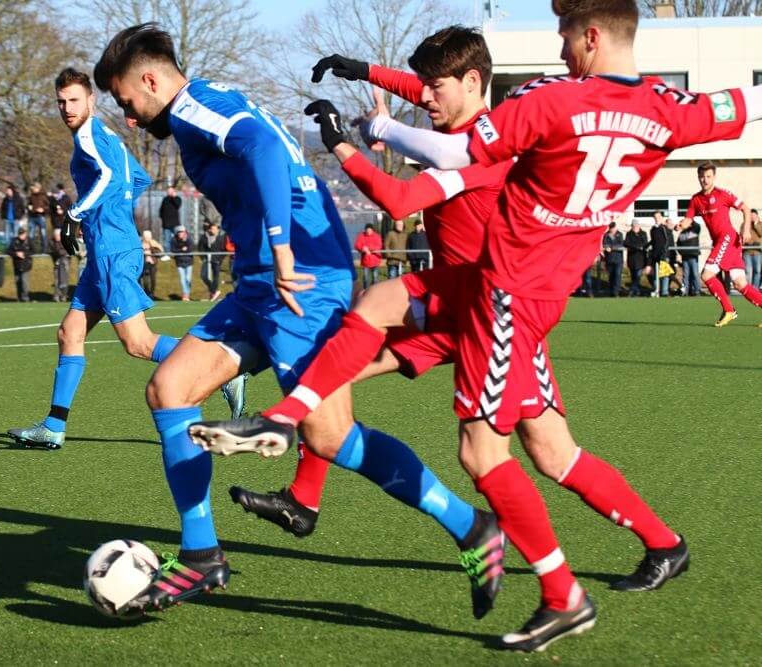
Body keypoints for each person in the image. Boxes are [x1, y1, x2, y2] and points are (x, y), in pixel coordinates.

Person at [194, 1, 755, 649]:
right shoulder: (668, 108)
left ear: (592, 35)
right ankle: (662, 541)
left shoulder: (545, 108)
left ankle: (554, 587)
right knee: (545, 446)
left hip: (497, 303)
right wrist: (373, 82)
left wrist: (359, 136)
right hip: (505, 293)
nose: (560, 45)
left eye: (566, 34)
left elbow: (433, 165)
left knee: (476, 448)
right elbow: (741, 102)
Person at [203, 26, 514, 620]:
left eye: (434, 87)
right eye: (422, 85)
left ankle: (502, 542)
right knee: (329, 378)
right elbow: (425, 92)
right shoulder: (458, 120)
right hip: (444, 298)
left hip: (464, 309)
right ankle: (303, 500)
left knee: (546, 456)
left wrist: (341, 145)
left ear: (473, 83)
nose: (423, 95)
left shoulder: (476, 144)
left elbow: (398, 201)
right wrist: (364, 69)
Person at [94, 23, 360, 613]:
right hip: (260, 284)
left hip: (298, 277)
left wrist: (281, 245)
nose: (131, 118)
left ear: (149, 78)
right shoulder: (205, 103)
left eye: (128, 103)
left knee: (330, 432)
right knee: (169, 388)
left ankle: (470, 526)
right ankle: (201, 556)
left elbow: (265, 149)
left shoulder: (193, 110)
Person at [6, 67, 246, 451]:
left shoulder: (89, 135)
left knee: (137, 343)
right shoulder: (106, 134)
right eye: (61, 102)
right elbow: (136, 179)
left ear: (91, 100)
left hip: (112, 253)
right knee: (70, 333)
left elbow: (105, 177)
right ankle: (54, 426)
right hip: (109, 249)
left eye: (74, 100)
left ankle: (221, 368)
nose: (67, 108)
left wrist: (77, 213)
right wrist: (112, 214)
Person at [676, 162, 762, 325]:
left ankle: (729, 310)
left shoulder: (723, 194)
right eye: (702, 176)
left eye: (708, 176)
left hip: (728, 238)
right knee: (740, 283)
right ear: (698, 177)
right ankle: (730, 310)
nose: (705, 180)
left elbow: (745, 208)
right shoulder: (696, 199)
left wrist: (746, 230)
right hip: (722, 242)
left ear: (714, 177)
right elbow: (688, 219)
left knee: (706, 275)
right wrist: (680, 225)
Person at [676, 213, 702, 296]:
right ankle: (686, 291)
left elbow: (697, 225)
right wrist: (681, 253)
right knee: (686, 275)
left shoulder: (695, 229)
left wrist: (689, 219)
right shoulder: (681, 234)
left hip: (693, 255)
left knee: (695, 273)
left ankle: (697, 290)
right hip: (685, 256)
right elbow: (678, 244)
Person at [198, 221, 224, 301]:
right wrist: (203, 258)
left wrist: (220, 259)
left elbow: (223, 249)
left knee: (216, 277)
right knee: (203, 275)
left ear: (218, 230)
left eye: (215, 229)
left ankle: (213, 293)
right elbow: (200, 248)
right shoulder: (204, 237)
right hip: (207, 259)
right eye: (212, 229)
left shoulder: (221, 237)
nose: (213, 230)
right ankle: (214, 291)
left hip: (217, 260)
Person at [648, 211, 672, 297]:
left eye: (658, 217)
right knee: (655, 274)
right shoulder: (653, 229)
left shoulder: (664, 228)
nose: (657, 219)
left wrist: (665, 253)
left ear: (661, 217)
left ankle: (664, 292)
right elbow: (653, 241)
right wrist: (646, 245)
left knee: (665, 274)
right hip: (655, 254)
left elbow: (667, 241)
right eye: (655, 217)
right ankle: (656, 289)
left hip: (664, 254)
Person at [354, 223, 383, 288]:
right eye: (367, 230)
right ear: (365, 230)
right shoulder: (361, 235)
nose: (368, 231)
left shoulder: (377, 236)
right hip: (366, 261)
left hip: (375, 260)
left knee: (375, 278)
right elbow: (357, 245)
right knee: (366, 279)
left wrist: (368, 248)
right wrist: (362, 248)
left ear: (372, 230)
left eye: (370, 230)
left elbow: (379, 246)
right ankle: (365, 292)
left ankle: (374, 292)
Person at [8, 227, 33, 302]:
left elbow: (34, 251)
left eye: (23, 234)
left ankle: (25, 297)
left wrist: (24, 254)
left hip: (26, 264)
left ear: (25, 234)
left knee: (24, 282)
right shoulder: (14, 240)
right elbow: (8, 251)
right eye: (20, 234)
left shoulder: (29, 240)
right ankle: (19, 297)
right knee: (18, 281)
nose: (21, 235)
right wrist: (16, 254)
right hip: (17, 265)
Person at [624, 221, 648, 296]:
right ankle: (636, 291)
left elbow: (645, 243)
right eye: (633, 226)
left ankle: (633, 290)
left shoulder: (643, 233)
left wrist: (639, 247)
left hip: (641, 258)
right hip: (632, 258)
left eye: (636, 225)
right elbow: (626, 243)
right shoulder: (629, 234)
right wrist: (636, 247)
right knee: (633, 275)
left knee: (638, 275)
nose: (634, 227)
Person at [170, 225, 193, 300]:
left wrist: (185, 249)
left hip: (189, 262)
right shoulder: (174, 240)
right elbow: (173, 250)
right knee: (182, 279)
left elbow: (190, 249)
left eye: (182, 232)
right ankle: (185, 294)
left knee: (188, 279)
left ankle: (187, 293)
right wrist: (181, 249)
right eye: (179, 232)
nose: (181, 233)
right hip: (179, 262)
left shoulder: (189, 239)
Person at [600, 221, 623, 296]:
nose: (612, 229)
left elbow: (620, 244)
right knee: (611, 275)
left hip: (618, 259)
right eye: (611, 228)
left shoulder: (619, 234)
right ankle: (611, 291)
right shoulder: (606, 235)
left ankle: (616, 292)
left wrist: (611, 248)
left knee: (617, 275)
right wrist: (607, 247)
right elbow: (605, 244)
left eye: (613, 228)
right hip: (609, 259)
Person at [49, 227, 71, 302]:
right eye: (56, 235)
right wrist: (61, 253)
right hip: (57, 263)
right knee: (57, 280)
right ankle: (56, 296)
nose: (57, 237)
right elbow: (53, 251)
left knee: (65, 280)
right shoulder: (51, 242)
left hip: (65, 263)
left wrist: (63, 253)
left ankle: (64, 296)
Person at [140, 229, 164, 298]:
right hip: (144, 264)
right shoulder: (141, 243)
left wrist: (151, 247)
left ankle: (152, 293)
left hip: (153, 263)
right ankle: (146, 293)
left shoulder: (153, 242)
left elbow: (160, 250)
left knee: (153, 279)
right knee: (145, 280)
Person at [159, 186, 182, 258]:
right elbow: (161, 210)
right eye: (168, 191)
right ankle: (167, 254)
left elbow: (178, 205)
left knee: (178, 238)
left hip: (175, 223)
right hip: (166, 224)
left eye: (171, 191)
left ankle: (178, 253)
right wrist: (162, 218)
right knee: (167, 240)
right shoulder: (165, 199)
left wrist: (174, 197)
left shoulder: (177, 198)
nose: (169, 192)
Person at [743, 208, 762, 289]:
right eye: (751, 215)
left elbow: (761, 233)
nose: (752, 217)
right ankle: (747, 289)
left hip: (757, 252)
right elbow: (743, 235)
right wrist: (750, 242)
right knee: (748, 271)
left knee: (757, 271)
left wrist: (756, 224)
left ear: (757, 216)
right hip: (747, 252)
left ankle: (755, 289)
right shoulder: (745, 225)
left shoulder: (760, 224)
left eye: (754, 215)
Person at [27, 182, 48, 251]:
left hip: (41, 217)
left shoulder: (43, 196)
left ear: (38, 188)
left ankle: (44, 250)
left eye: (34, 187)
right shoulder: (31, 196)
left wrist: (43, 209)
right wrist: (29, 208)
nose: (33, 189)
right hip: (32, 217)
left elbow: (48, 206)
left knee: (43, 233)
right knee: (31, 234)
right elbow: (28, 205)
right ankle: (32, 250)